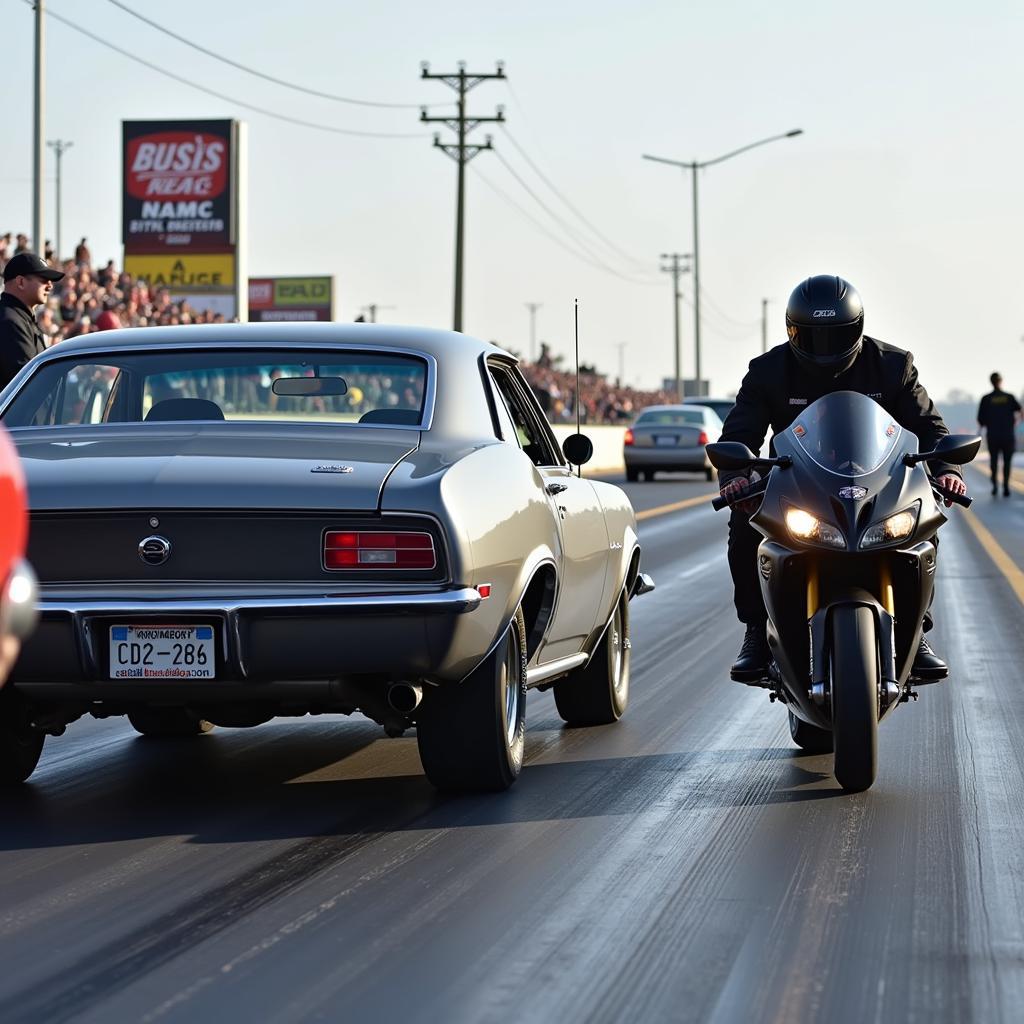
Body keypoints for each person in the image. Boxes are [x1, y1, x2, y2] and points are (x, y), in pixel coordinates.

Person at [719, 275, 967, 681]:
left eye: (834, 335)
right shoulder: (767, 371)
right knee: (745, 523)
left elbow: (930, 428)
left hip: (879, 483)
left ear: (857, 328)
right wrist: (735, 477)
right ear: (791, 329)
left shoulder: (892, 365)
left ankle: (916, 630)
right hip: (798, 483)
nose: (823, 347)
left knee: (922, 522)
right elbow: (738, 435)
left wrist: (946, 470)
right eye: (810, 335)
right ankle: (755, 631)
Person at [0, 252, 65, 391]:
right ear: (21, 282)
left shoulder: (22, 318)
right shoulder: (10, 321)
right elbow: (28, 385)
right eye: (43, 279)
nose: (50, 285)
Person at [977, 372, 1021, 497]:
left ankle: (995, 485)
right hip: (1008, 436)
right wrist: (1014, 423)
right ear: (1001, 381)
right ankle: (1006, 485)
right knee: (1007, 462)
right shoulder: (1009, 397)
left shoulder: (986, 399)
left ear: (991, 382)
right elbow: (1020, 411)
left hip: (993, 436)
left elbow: (980, 420)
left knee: (994, 461)